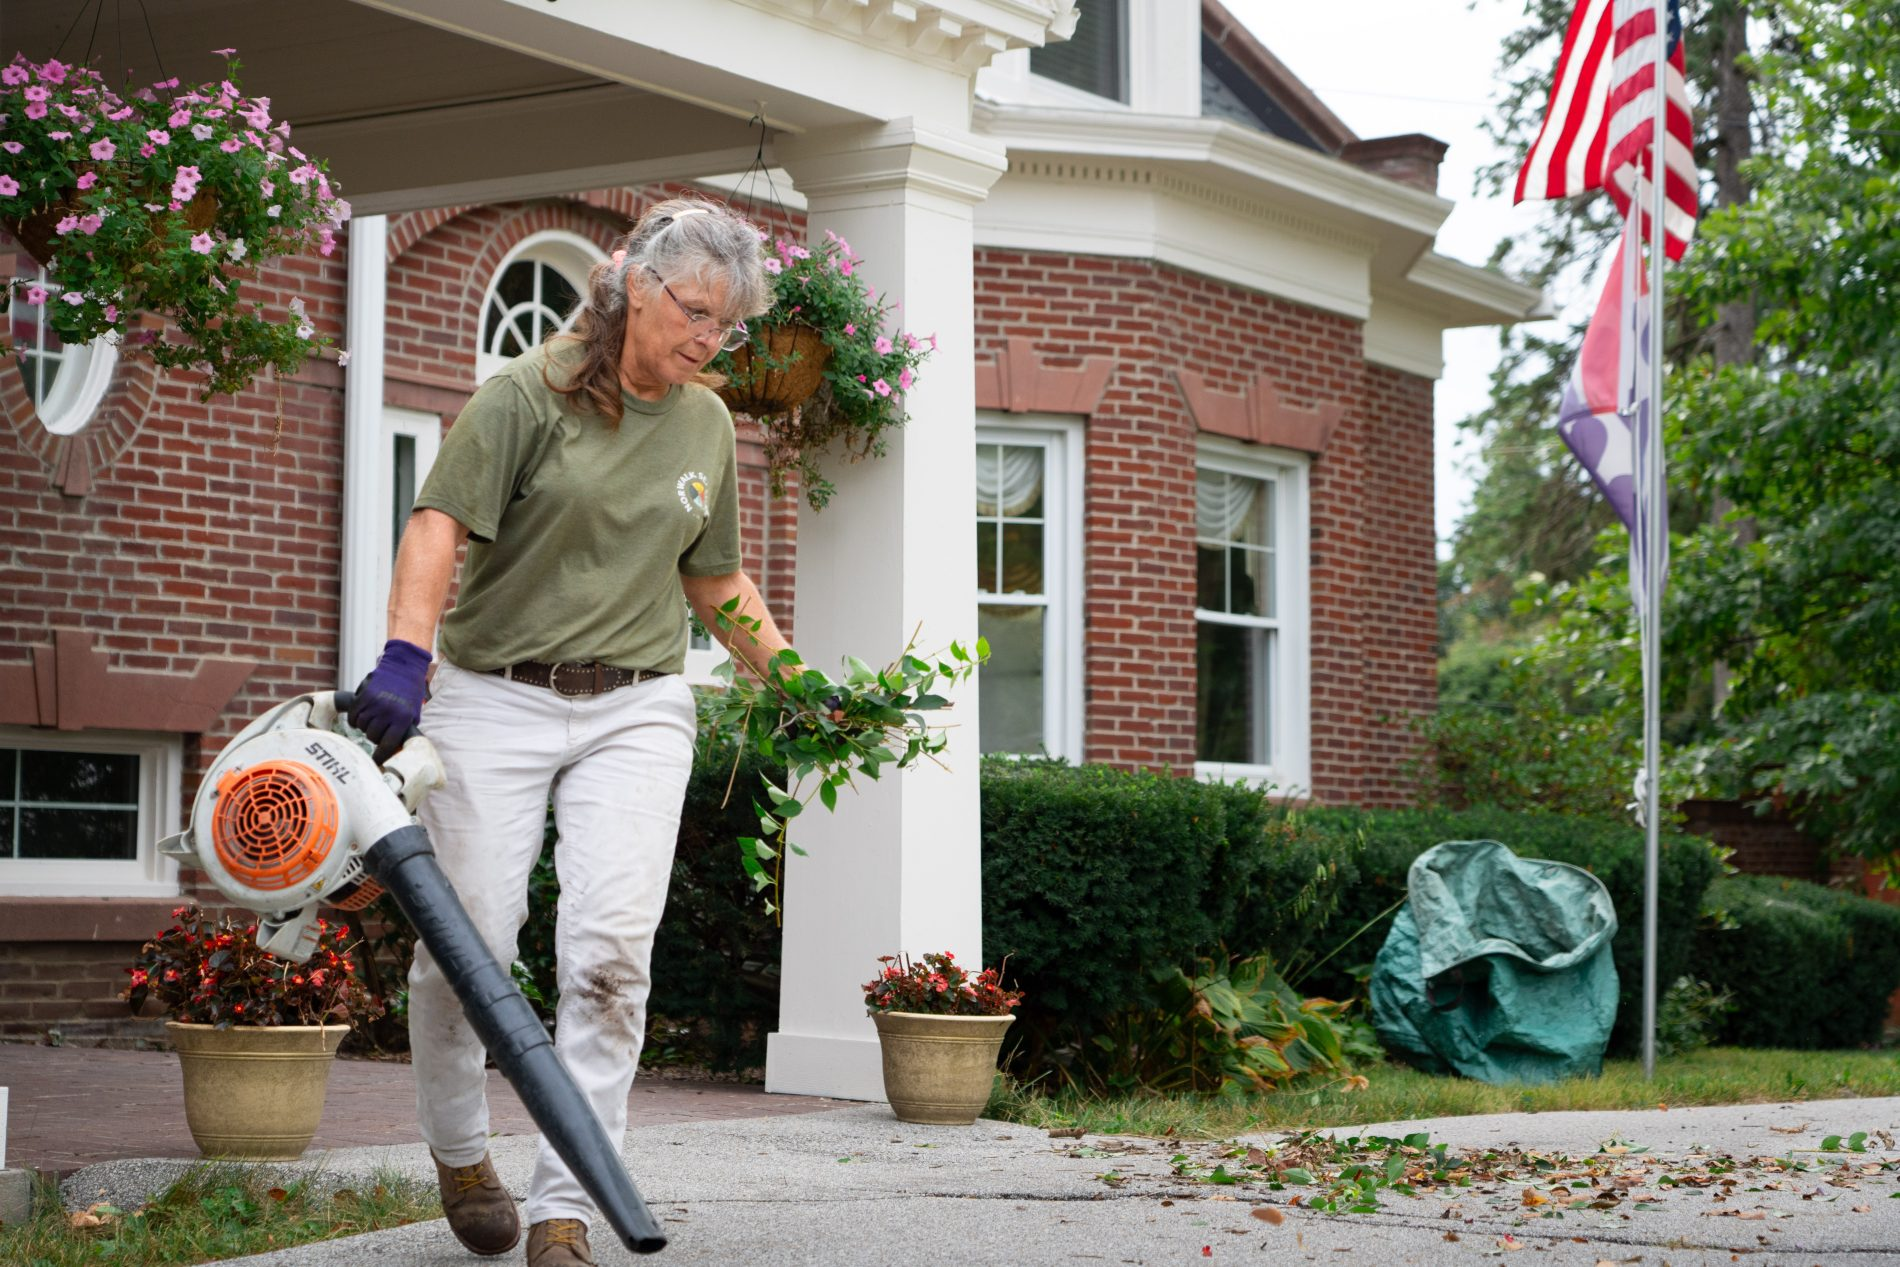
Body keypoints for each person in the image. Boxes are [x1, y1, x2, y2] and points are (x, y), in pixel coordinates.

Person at [348, 197, 790, 1267]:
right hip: (496, 693)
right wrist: (408, 657)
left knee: (608, 954)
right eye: (694, 312)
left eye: (727, 327)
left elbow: (713, 573)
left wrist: (794, 675)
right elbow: (437, 522)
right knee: (472, 948)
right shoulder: (524, 394)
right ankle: (460, 1152)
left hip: (637, 701)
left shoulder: (706, 420)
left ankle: (567, 1206)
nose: (707, 339)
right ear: (636, 284)